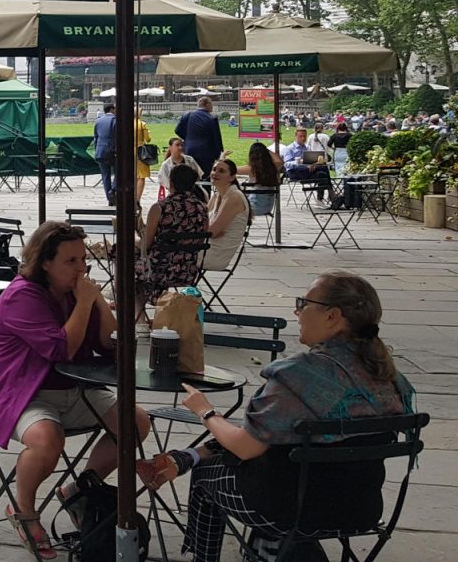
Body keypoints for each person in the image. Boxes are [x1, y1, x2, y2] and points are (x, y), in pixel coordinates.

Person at [136, 273, 416, 562]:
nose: (296, 311)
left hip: (286, 509)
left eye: (304, 303)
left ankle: (204, 556)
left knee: (208, 475)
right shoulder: (390, 377)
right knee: (276, 439)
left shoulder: (300, 374)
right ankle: (186, 457)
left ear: (332, 316)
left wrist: (205, 411)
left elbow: (246, 447)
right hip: (360, 508)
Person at [0, 221, 151, 561]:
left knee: (135, 421)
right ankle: (23, 510)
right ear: (44, 262)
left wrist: (96, 303)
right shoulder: (22, 295)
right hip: (20, 390)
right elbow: (61, 350)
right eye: (71, 262)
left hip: (75, 387)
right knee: (47, 440)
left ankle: (79, 490)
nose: (81, 268)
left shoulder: (74, 293)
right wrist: (84, 303)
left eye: (84, 260)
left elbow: (112, 347)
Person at [135, 163, 208, 329]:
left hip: (158, 269)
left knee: (124, 265)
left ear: (171, 183)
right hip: (187, 269)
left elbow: (146, 245)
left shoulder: (160, 207)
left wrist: (137, 238)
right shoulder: (201, 209)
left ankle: (140, 322)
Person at [203, 160, 250, 270]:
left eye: (221, 171)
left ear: (232, 177)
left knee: (165, 252)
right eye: (214, 169)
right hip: (204, 245)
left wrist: (207, 230)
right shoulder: (216, 196)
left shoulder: (234, 197)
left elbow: (211, 232)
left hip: (214, 254)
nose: (215, 173)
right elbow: (201, 222)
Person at [175, 96, 225, 178]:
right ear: (207, 104)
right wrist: (219, 154)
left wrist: (188, 138)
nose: (212, 107)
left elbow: (177, 130)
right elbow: (216, 138)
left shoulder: (187, 115)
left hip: (189, 150)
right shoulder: (212, 118)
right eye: (211, 104)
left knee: (189, 175)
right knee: (205, 177)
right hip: (206, 152)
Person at [281, 127, 334, 202]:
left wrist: (315, 164)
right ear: (295, 136)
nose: (303, 138)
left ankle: (320, 198)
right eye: (300, 136)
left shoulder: (308, 147)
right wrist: (300, 162)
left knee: (322, 173)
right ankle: (331, 193)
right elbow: (287, 164)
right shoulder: (289, 148)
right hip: (295, 172)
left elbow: (312, 160)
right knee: (322, 169)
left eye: (304, 136)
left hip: (308, 170)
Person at [243, 142, 283, 218]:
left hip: (252, 207)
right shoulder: (273, 167)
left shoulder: (250, 169)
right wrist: (266, 150)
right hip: (268, 207)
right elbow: (280, 161)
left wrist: (222, 157)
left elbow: (231, 169)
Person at [92, 103, 118, 206]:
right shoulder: (115, 120)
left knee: (105, 175)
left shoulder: (98, 121)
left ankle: (109, 197)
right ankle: (113, 190)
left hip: (100, 151)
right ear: (112, 109)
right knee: (118, 173)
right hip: (112, 151)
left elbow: (96, 138)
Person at [134, 107, 154, 203]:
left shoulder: (125, 124)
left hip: (128, 152)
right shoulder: (142, 124)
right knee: (141, 176)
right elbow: (148, 139)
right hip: (140, 152)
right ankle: (137, 199)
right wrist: (148, 133)